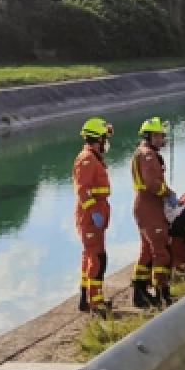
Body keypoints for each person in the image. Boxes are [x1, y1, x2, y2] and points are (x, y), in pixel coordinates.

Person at [131, 117, 175, 308]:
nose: (161, 139)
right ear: (148, 136)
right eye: (157, 135)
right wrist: (167, 193)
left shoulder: (145, 152)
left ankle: (139, 293)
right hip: (150, 206)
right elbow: (151, 183)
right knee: (160, 252)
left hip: (145, 206)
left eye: (162, 135)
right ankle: (162, 292)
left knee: (147, 251)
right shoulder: (148, 155)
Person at [72, 117, 113, 315]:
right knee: (97, 258)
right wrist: (94, 212)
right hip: (90, 215)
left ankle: (85, 298)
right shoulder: (87, 159)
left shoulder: (93, 157)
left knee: (90, 256)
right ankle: (96, 303)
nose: (107, 142)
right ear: (98, 138)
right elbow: (82, 190)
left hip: (95, 212)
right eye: (105, 137)